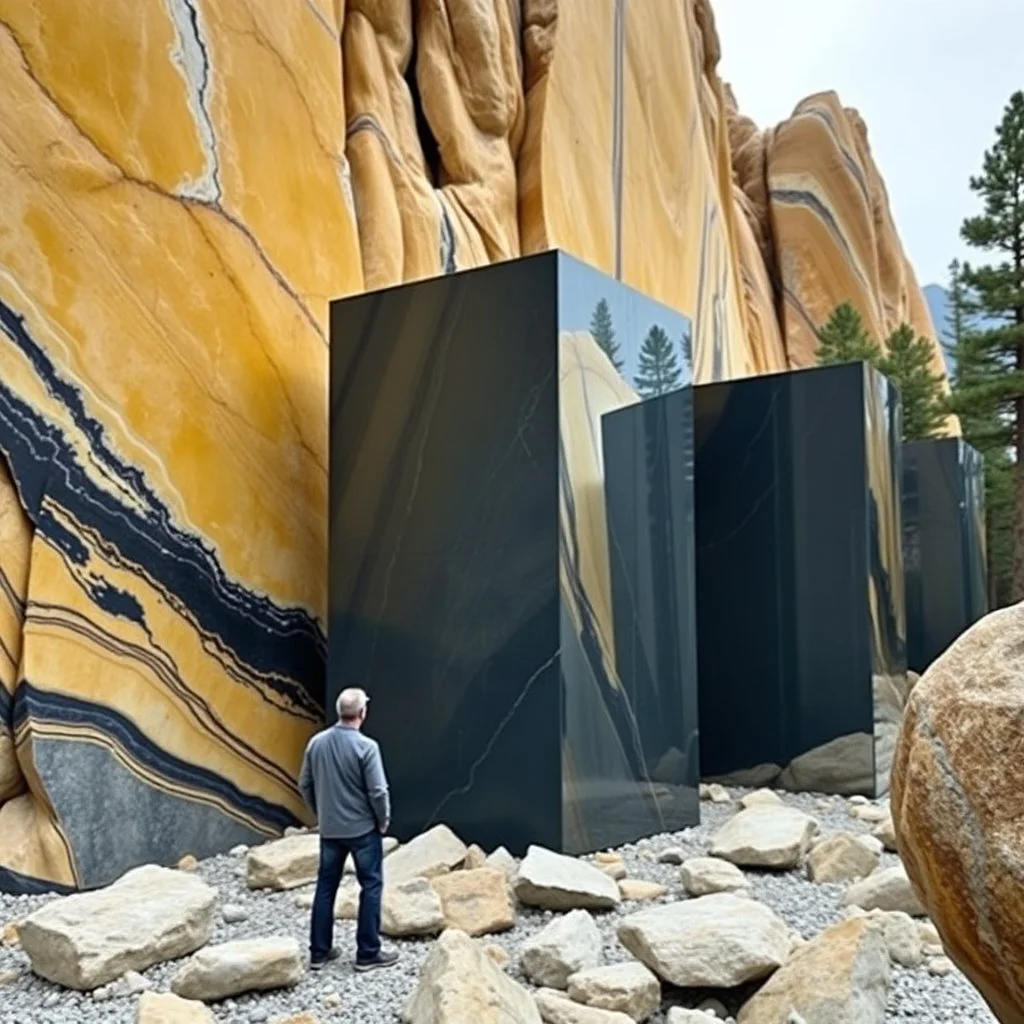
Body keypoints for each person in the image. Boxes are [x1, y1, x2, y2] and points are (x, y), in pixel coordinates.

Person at [298, 686, 399, 972]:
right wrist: (383, 819)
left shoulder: (316, 743)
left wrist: (321, 812)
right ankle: (367, 953)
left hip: (330, 831)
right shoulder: (367, 747)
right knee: (371, 885)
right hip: (362, 830)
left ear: (340, 711)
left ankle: (319, 952)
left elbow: (304, 783)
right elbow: (378, 791)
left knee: (326, 886)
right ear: (363, 713)